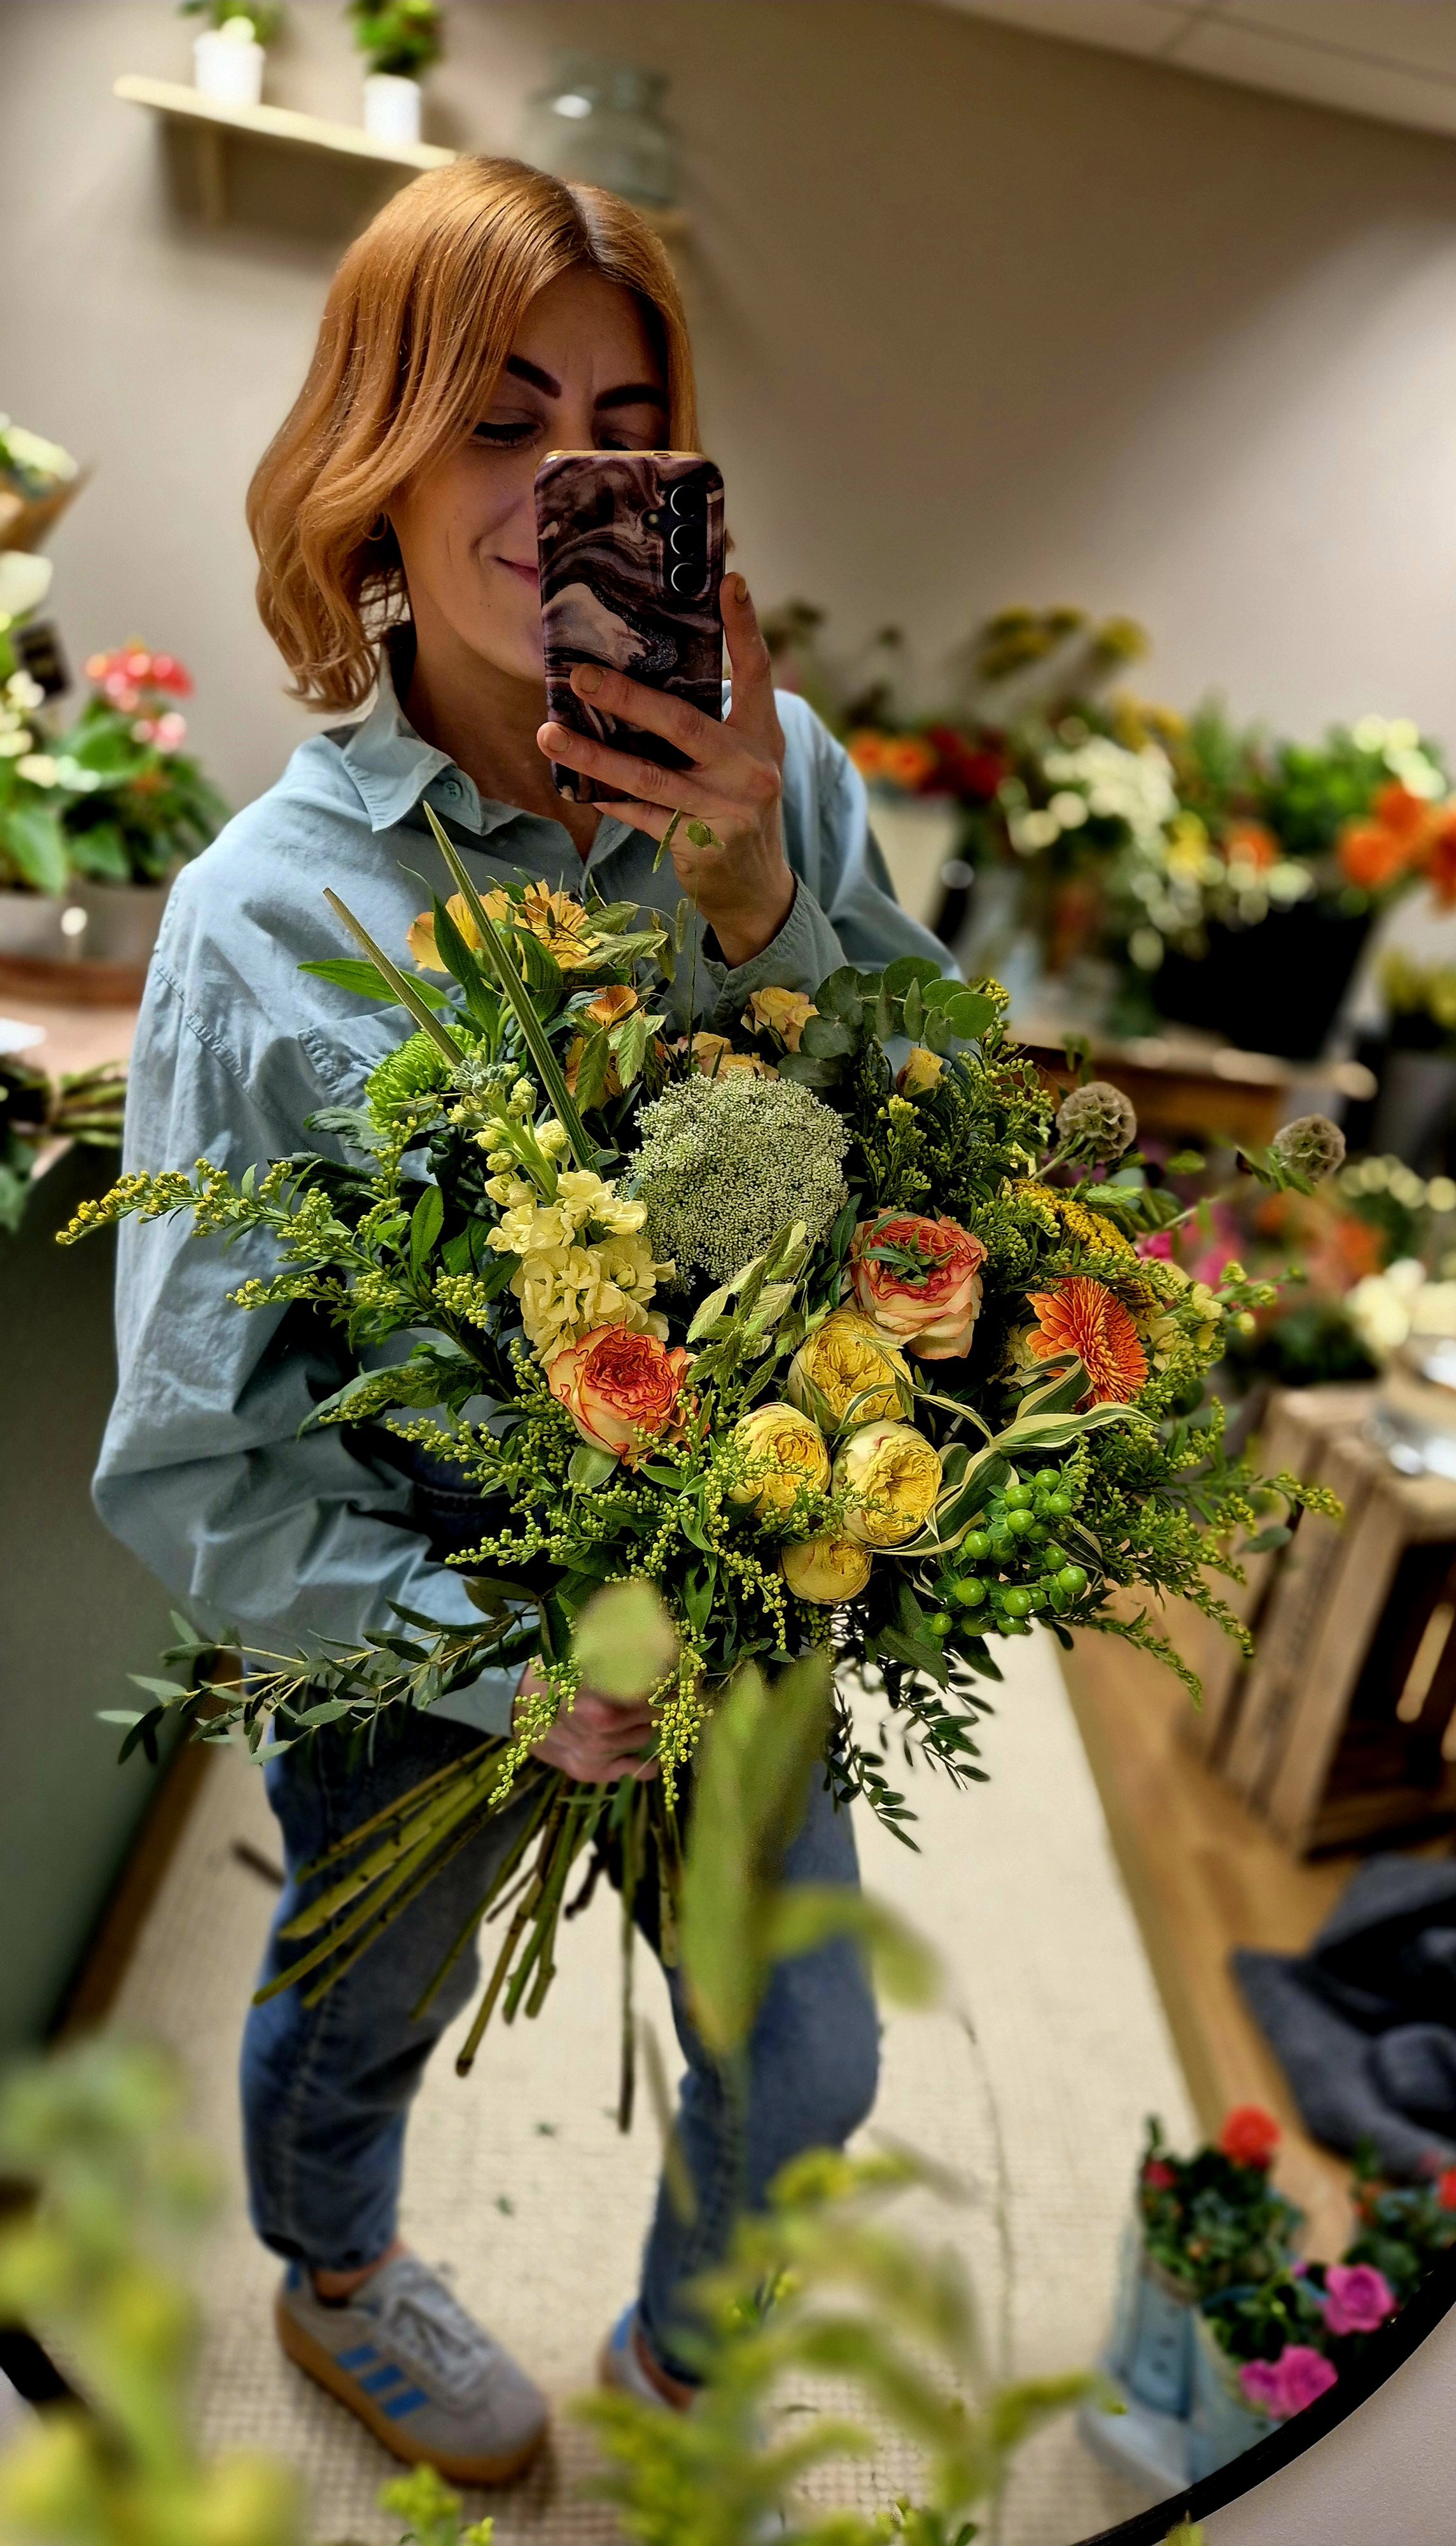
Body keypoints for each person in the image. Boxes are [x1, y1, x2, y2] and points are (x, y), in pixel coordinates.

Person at [95, 157, 952, 2484]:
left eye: (621, 414)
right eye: (496, 418)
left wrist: (757, 889)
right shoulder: (262, 920)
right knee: (362, 1992)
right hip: (421, 1623)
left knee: (806, 2059)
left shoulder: (771, 781)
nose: (567, 477)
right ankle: (340, 2270)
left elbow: (945, 1164)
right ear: (373, 461)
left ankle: (682, 2362)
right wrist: (496, 1646)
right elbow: (192, 1454)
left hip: (755, 1553)